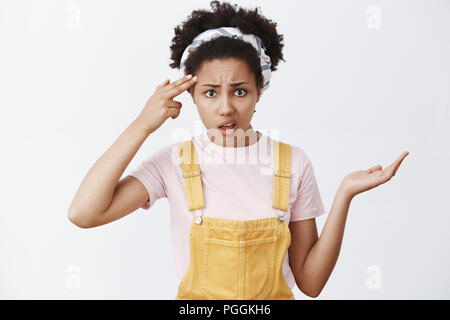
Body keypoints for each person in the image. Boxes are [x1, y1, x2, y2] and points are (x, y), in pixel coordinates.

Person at [68, 1, 409, 299]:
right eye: (211, 93)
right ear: (191, 95)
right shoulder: (172, 163)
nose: (226, 107)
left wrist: (345, 193)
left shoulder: (293, 164)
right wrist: (141, 124)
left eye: (240, 91)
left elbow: (311, 283)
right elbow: (84, 213)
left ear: (260, 90)